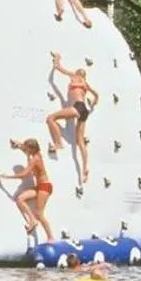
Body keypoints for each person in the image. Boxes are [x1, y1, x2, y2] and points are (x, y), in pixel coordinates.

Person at [45, 52, 100, 186]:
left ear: (77, 73)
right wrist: (93, 103)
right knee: (80, 141)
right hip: (84, 110)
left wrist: (57, 57)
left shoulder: (74, 77)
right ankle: (85, 167)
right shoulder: (85, 84)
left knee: (51, 118)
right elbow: (97, 95)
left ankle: (58, 143)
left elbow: (58, 68)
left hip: (78, 107)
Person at [0, 138, 55, 243]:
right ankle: (32, 220)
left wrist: (8, 176)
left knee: (40, 213)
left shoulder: (35, 159)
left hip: (45, 187)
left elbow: (24, 174)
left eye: (27, 149)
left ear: (31, 148)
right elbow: (25, 149)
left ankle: (50, 237)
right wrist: (18, 145)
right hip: (40, 187)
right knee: (20, 199)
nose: (26, 150)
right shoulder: (36, 154)